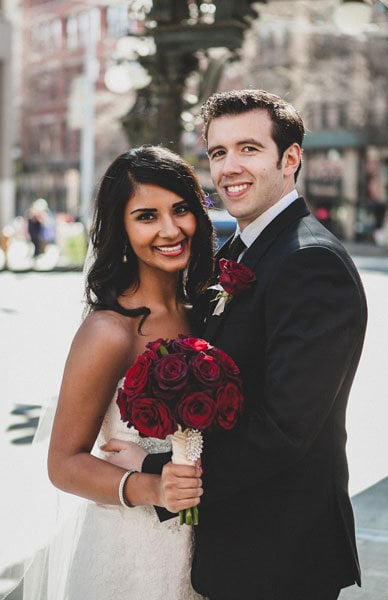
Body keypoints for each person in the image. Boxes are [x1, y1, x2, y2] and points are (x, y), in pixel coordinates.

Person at [113, 90, 368, 600]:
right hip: (235, 542)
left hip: (280, 553)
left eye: (249, 148)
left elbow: (284, 430)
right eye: (218, 152)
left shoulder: (309, 264)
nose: (230, 167)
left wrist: (155, 469)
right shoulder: (240, 251)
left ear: (290, 158)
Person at [25, 145, 213, 600]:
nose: (170, 230)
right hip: (130, 553)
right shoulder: (109, 332)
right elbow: (64, 464)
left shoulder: (207, 313)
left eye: (181, 210)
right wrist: (153, 485)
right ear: (121, 229)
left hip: (210, 551)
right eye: (147, 216)